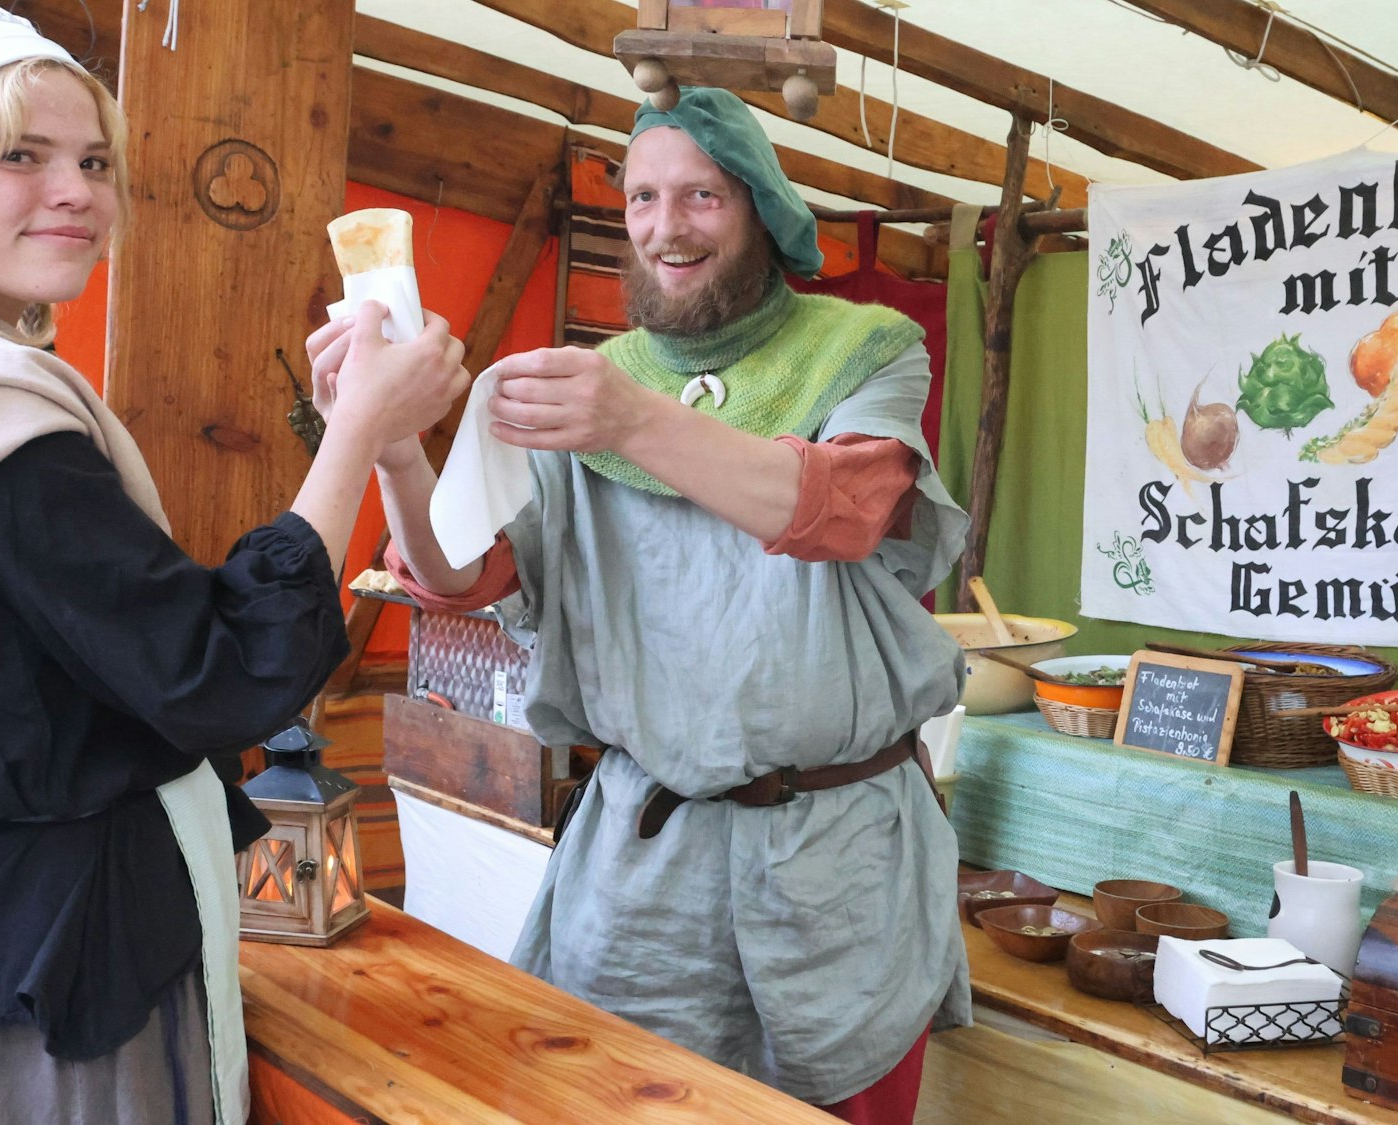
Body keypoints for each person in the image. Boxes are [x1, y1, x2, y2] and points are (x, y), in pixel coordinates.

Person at [0, 3, 468, 1122]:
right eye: (17, 155)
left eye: (93, 160)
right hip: (36, 1013)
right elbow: (219, 673)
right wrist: (356, 434)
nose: (75, 190)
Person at [311, 87, 969, 1122]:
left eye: (702, 196)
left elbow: (845, 509)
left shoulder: (864, 347)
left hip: (836, 860)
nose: (667, 229)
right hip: (642, 868)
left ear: (757, 206)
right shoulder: (597, 381)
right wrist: (390, 438)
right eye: (643, 200)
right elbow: (451, 576)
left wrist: (630, 420)